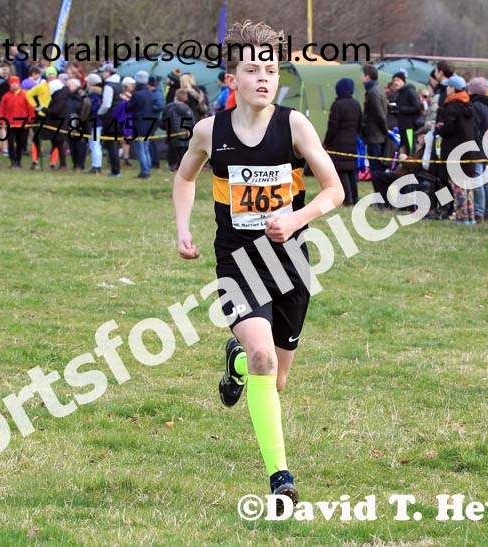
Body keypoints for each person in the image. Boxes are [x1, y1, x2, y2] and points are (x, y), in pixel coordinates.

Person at [172, 19, 343, 507]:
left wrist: (296, 220)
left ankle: (238, 362)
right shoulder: (210, 131)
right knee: (267, 359)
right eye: (252, 70)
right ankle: (280, 478)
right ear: (233, 80)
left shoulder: (295, 125)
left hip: (290, 262)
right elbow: (184, 178)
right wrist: (183, 230)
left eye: (270, 69)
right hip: (238, 263)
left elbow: (335, 191)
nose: (264, 78)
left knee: (276, 376)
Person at [437, 75, 476, 224]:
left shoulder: (452, 106)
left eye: (448, 87)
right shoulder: (468, 105)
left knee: (457, 185)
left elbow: (448, 129)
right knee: (467, 186)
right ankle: (470, 215)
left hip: (455, 151)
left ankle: (460, 216)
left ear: (453, 89)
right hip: (468, 150)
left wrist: (440, 128)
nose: (446, 90)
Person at [324, 77, 362, 205]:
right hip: (352, 142)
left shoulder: (337, 105)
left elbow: (332, 127)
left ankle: (347, 199)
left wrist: (326, 142)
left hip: (338, 144)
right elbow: (360, 125)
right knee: (351, 171)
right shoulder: (356, 104)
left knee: (342, 171)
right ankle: (355, 198)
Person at [360, 64, 389, 205]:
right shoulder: (377, 89)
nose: (361, 78)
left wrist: (385, 131)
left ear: (367, 76)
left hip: (375, 136)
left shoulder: (373, 92)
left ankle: (381, 199)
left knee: (376, 169)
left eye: (362, 75)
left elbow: (379, 115)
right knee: (377, 168)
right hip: (377, 135)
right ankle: (381, 198)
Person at [467, 77, 488, 222]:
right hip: (486, 145)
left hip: (477, 146)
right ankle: (487, 210)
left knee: (477, 180)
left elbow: (474, 128)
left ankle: (479, 211)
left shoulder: (475, 106)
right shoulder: (486, 106)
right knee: (485, 181)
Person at [0, 76, 34, 168]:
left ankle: (18, 160)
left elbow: (30, 108)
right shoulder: (6, 96)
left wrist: (31, 118)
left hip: (22, 124)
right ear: (10, 84)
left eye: (16, 83)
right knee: (10, 142)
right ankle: (12, 160)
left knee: (20, 143)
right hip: (10, 124)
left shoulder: (25, 95)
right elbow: (1, 110)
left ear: (19, 84)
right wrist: (1, 120)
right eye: (12, 83)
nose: (14, 85)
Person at [126, 70, 155, 178]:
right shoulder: (149, 93)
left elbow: (129, 107)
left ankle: (145, 171)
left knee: (140, 149)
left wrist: (127, 100)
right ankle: (148, 168)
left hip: (138, 123)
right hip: (148, 123)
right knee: (146, 148)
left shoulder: (137, 94)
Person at [97, 63, 123, 177]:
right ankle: (116, 168)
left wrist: (99, 112)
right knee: (116, 144)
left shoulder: (108, 86)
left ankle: (115, 170)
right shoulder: (119, 84)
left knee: (111, 144)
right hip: (119, 116)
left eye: (104, 72)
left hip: (110, 117)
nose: (103, 74)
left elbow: (106, 104)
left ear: (108, 73)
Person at [161, 88, 195, 171]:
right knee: (183, 153)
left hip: (173, 133)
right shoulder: (188, 109)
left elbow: (164, 120)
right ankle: (182, 167)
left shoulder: (169, 107)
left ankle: (173, 166)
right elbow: (192, 122)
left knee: (173, 152)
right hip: (185, 134)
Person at [392, 71, 421, 154]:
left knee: (410, 149)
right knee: (403, 149)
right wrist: (393, 110)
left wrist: (400, 109)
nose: (395, 83)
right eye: (394, 81)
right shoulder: (399, 94)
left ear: (403, 81)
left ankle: (411, 166)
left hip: (409, 127)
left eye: (397, 80)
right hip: (401, 126)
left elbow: (417, 107)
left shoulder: (410, 91)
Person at [84, 73, 104, 174]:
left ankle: (96, 166)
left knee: (95, 144)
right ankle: (96, 165)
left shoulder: (94, 96)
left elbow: (94, 109)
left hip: (94, 122)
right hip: (96, 122)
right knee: (94, 144)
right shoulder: (99, 94)